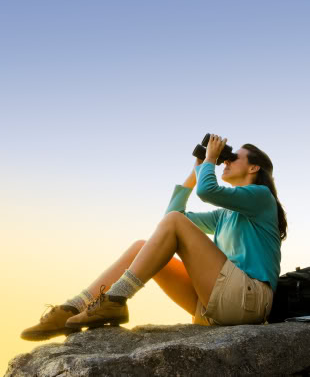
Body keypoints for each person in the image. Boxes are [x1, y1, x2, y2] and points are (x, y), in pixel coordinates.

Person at [21, 134, 287, 341]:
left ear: (253, 168)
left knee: (174, 224)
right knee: (143, 246)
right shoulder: (225, 216)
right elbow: (171, 217)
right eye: (225, 158)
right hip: (217, 303)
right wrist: (195, 170)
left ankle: (116, 299)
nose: (225, 161)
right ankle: (73, 308)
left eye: (233, 157)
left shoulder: (263, 197)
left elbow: (204, 194)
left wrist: (210, 159)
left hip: (249, 300)